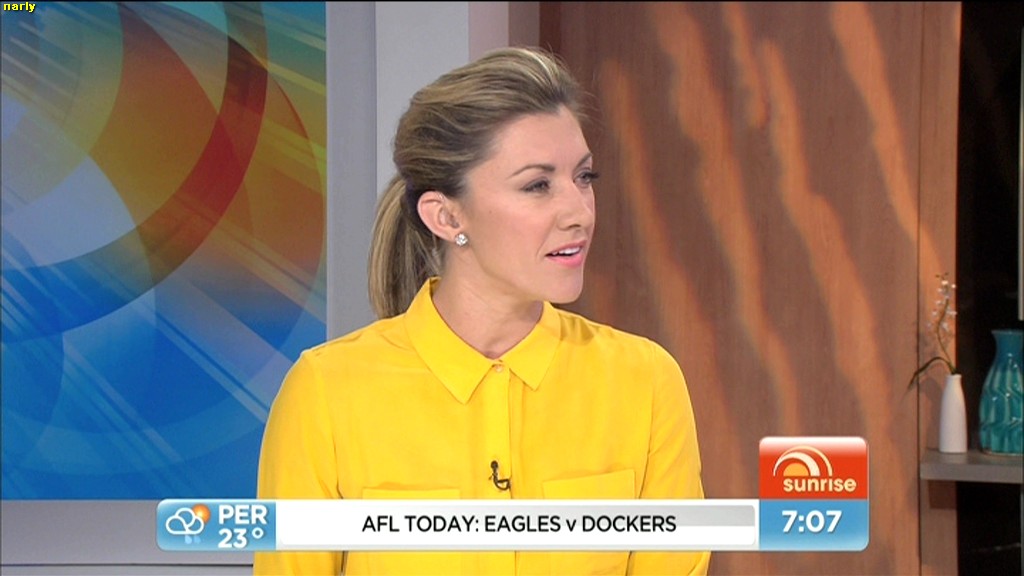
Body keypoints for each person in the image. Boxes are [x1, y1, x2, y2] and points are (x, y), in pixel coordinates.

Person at [253, 45, 709, 576]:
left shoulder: (644, 382)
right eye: (537, 185)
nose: (579, 212)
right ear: (446, 217)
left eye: (584, 178)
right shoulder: (326, 394)